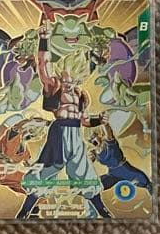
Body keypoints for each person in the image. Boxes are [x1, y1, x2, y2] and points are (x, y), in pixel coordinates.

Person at [17, 23, 112, 218]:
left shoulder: (80, 95)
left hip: (75, 135)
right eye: (68, 76)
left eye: (74, 78)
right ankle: (25, 210)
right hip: (59, 133)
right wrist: (44, 39)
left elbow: (84, 120)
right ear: (62, 72)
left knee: (84, 172)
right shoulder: (55, 86)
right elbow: (43, 65)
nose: (70, 81)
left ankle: (101, 210)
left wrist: (99, 121)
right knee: (46, 170)